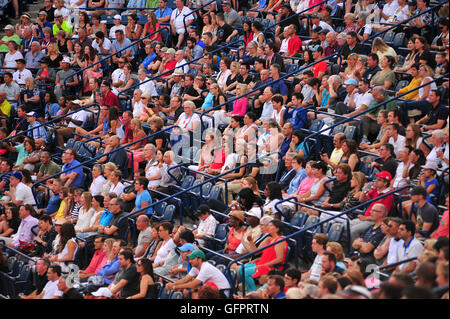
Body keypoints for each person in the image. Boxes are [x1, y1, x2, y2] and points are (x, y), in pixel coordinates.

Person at [166, 249, 231, 298]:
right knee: (191, 291)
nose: (190, 261)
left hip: (221, 292)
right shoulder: (195, 267)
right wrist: (172, 284)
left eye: (192, 259)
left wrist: (174, 287)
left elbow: (192, 284)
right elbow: (185, 279)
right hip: (210, 291)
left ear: (199, 259)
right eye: (190, 259)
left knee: (195, 292)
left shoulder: (206, 267)